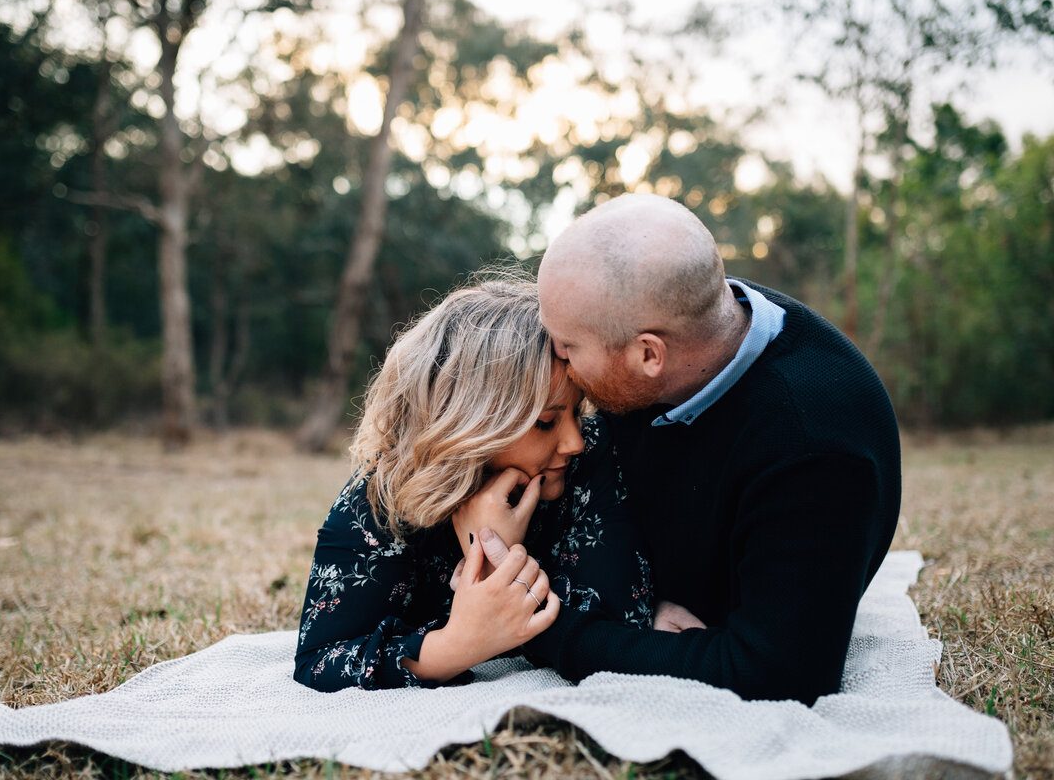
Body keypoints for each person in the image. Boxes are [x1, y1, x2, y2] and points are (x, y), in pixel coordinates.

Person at [497, 193, 902, 705]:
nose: (556, 355)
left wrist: (542, 629)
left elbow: (779, 672)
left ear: (649, 354)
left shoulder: (813, 447)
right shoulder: (681, 326)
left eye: (569, 345)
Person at [294, 279, 655, 692]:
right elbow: (320, 660)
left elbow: (625, 624)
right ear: (471, 424)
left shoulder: (590, 459)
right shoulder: (383, 497)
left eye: (577, 410)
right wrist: (455, 647)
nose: (573, 440)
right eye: (546, 422)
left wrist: (498, 557)